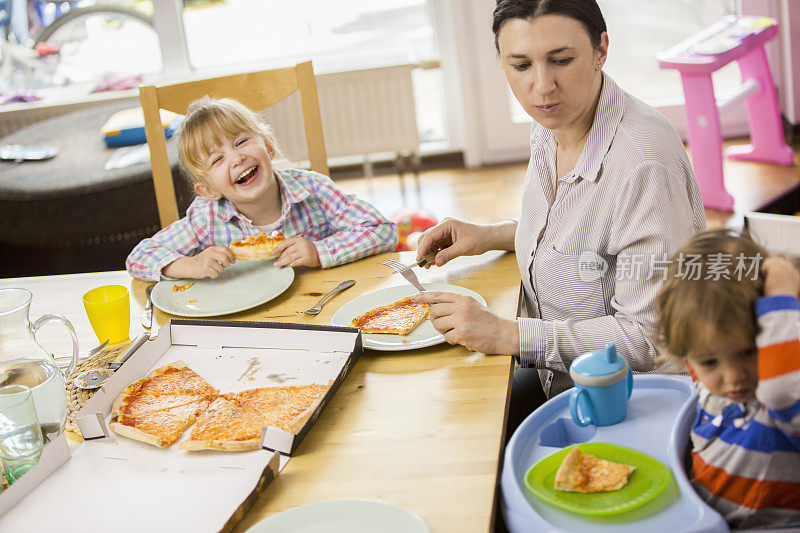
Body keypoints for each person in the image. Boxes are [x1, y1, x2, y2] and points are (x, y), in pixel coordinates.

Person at [411, 0, 706, 419]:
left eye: (561, 60)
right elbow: (587, 240)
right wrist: (494, 234)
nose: (542, 86)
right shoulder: (554, 122)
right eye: (521, 65)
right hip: (561, 381)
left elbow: (653, 340)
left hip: (633, 407)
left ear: (601, 49)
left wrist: (509, 334)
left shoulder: (642, 163)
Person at [126, 97, 398, 281]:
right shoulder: (205, 217)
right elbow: (139, 257)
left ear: (269, 146)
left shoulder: (313, 189)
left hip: (320, 307)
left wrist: (319, 252)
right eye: (217, 159)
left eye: (242, 142)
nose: (236, 158)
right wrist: (188, 265)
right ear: (208, 190)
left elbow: (383, 230)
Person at [656, 229, 800, 529]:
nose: (734, 377)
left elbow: (781, 390)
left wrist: (781, 295)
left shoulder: (786, 401)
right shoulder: (706, 376)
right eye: (709, 361)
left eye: (748, 352)